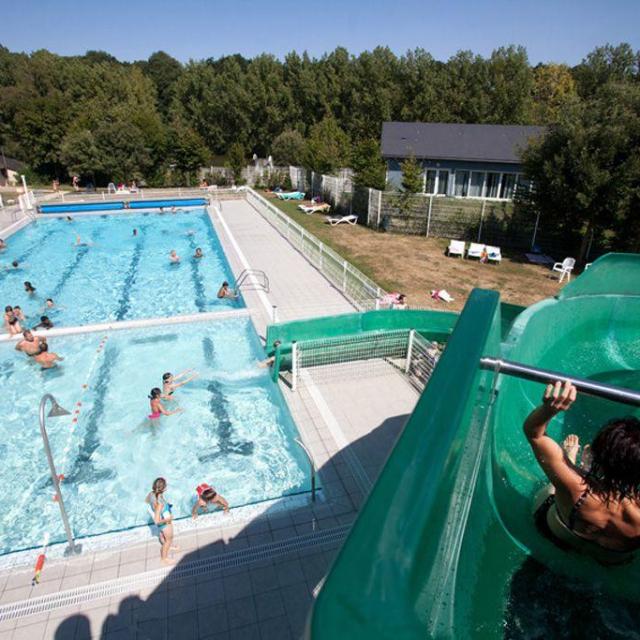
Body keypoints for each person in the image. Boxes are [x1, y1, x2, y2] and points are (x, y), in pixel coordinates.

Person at [528, 380, 640, 565]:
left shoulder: (574, 485)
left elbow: (534, 433)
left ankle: (574, 463)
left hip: (555, 534)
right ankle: (586, 467)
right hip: (610, 559)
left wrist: (550, 408)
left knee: (557, 483)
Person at [146, 478, 177, 564]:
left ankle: (167, 545)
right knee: (169, 539)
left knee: (163, 536)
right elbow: (156, 521)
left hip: (162, 524)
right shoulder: (160, 504)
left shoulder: (151, 494)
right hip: (165, 524)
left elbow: (147, 501)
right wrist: (168, 519)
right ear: (164, 488)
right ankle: (164, 558)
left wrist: (155, 507)